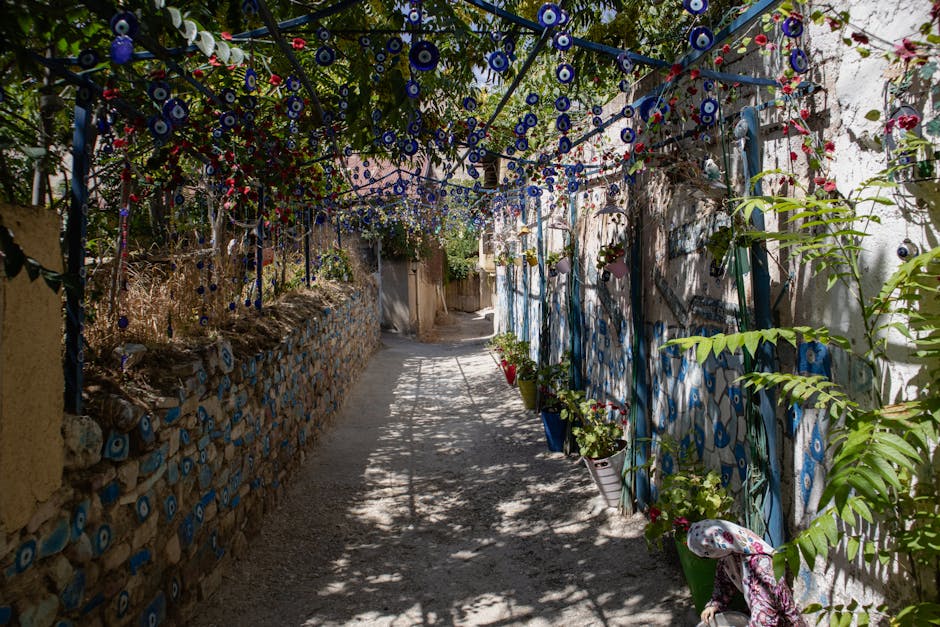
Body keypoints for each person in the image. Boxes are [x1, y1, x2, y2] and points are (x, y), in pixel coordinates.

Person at [687, 519, 808, 627]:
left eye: (705, 556)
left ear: (714, 549)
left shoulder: (761, 566)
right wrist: (714, 604)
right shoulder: (729, 557)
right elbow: (723, 585)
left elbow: (766, 617)